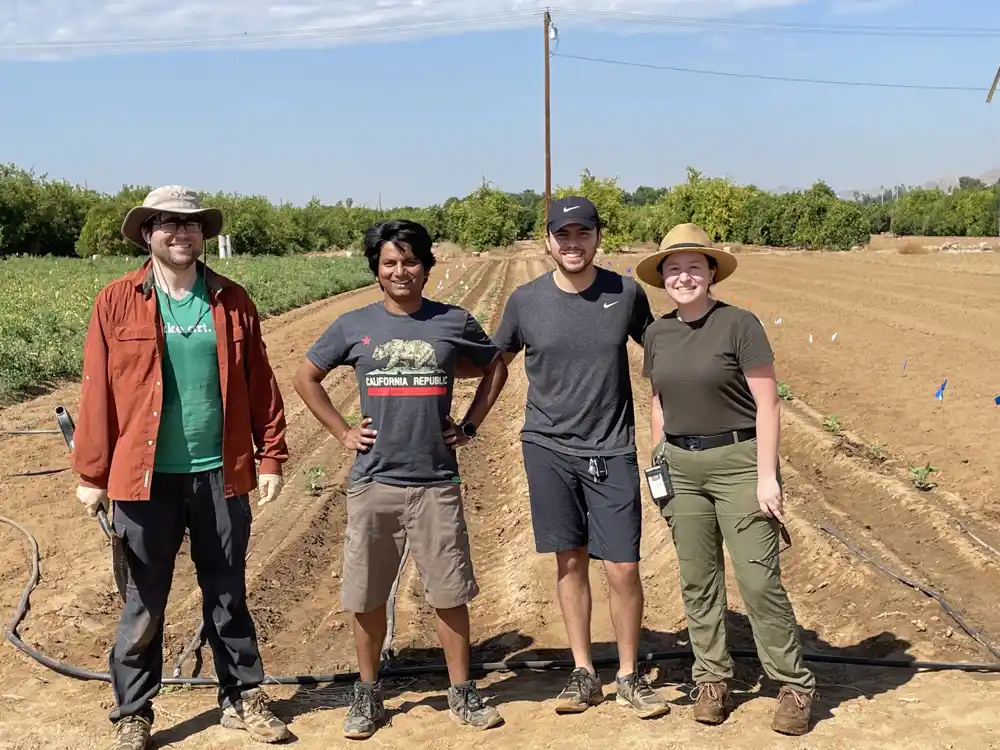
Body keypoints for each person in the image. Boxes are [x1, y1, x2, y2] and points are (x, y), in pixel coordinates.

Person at [71, 186, 291, 750]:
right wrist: (92, 474)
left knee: (226, 591)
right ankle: (134, 713)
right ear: (148, 234)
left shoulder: (232, 299)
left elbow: (260, 384)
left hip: (221, 472)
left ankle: (242, 697)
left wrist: (270, 456)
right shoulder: (116, 300)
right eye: (167, 224)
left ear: (203, 235)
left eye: (190, 225)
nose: (180, 234)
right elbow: (97, 392)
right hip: (146, 480)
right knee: (145, 597)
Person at [294, 218, 508, 740]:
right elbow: (305, 377)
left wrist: (471, 425)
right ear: (376, 270)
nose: (401, 271)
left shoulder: (452, 321)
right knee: (366, 594)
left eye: (410, 261)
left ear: (427, 266)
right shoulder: (353, 325)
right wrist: (343, 432)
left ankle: (461, 691)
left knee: (449, 591)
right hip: (374, 480)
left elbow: (495, 365)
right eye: (390, 262)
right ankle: (367, 694)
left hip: (436, 479)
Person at [635, 222, 816, 736]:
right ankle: (712, 677)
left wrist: (766, 477)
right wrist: (658, 467)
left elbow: (767, 405)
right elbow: (658, 404)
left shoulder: (740, 324)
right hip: (681, 467)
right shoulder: (659, 332)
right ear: (662, 277)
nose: (683, 276)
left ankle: (793, 683)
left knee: (759, 581)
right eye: (674, 268)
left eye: (694, 266)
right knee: (698, 579)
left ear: (711, 272)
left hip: (739, 463)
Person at [492, 196, 668, 719]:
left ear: (598, 237)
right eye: (562, 235)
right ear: (548, 240)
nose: (573, 244)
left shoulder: (626, 292)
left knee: (622, 568)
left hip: (611, 447)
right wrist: (469, 421)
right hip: (547, 448)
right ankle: (584, 672)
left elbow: (662, 350)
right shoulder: (525, 301)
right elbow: (496, 362)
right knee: (569, 561)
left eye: (582, 233)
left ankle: (630, 676)